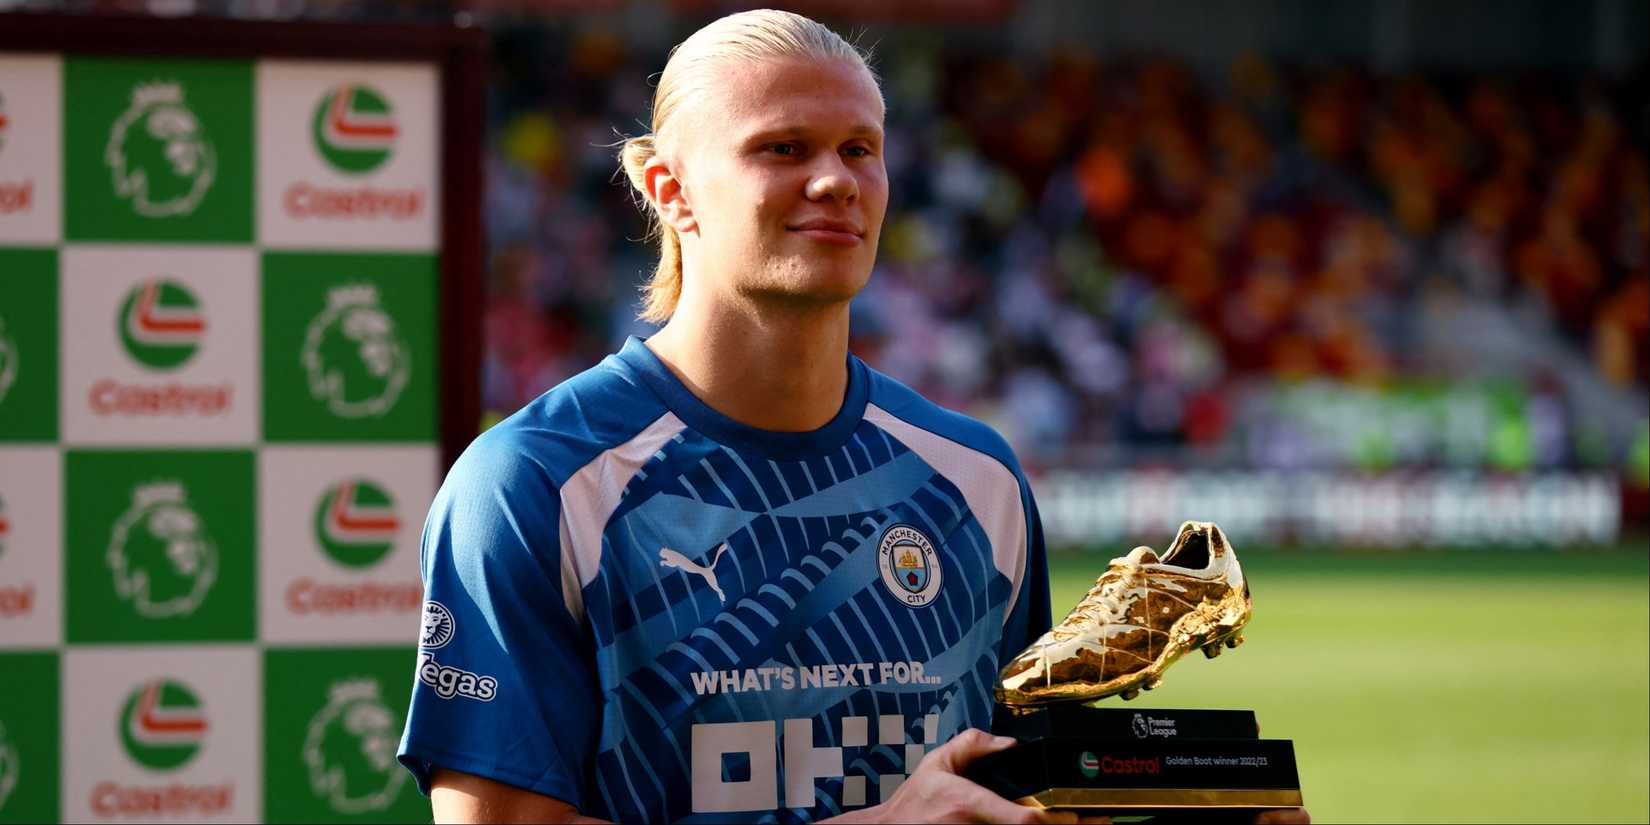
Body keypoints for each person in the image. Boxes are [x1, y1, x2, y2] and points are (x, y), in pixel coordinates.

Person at [397, 10, 1308, 825]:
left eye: (859, 149)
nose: (835, 180)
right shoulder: (532, 484)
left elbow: (1008, 788)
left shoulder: (975, 479)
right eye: (783, 149)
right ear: (668, 188)